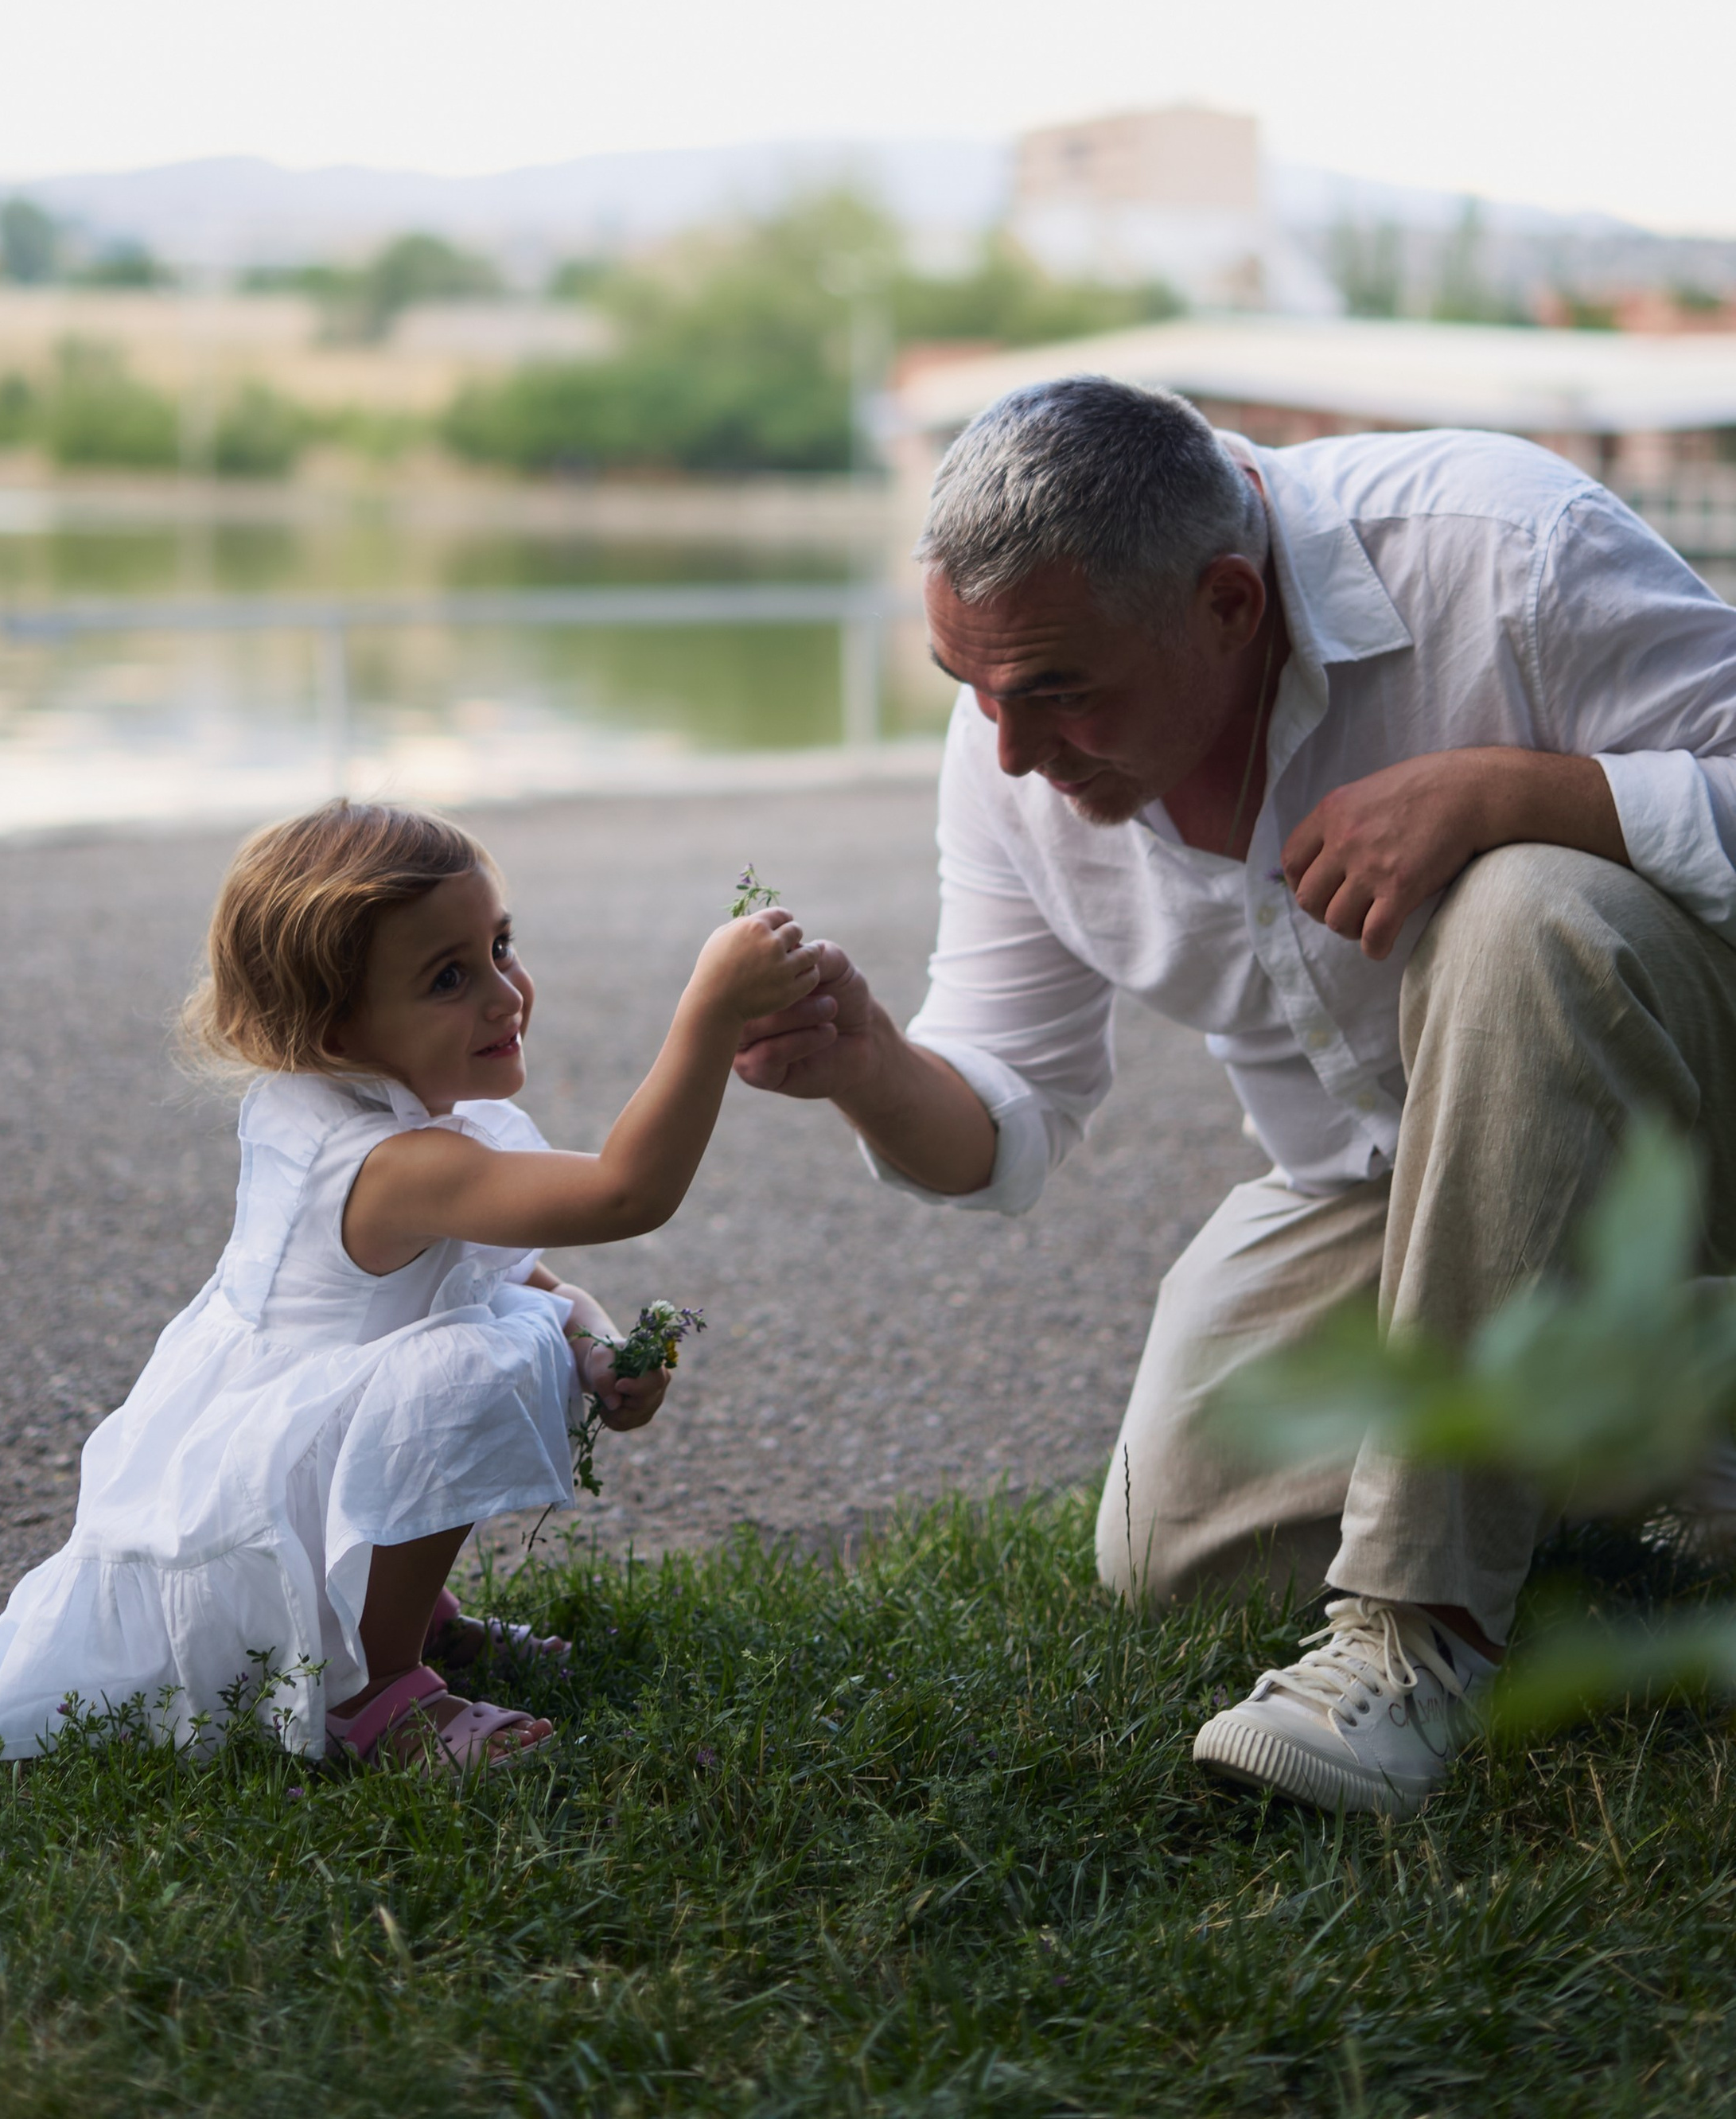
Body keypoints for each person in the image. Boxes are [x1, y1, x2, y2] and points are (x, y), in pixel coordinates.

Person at [735, 375, 1736, 1817]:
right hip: (1389, 1184)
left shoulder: (1503, 549)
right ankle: (1658, 1407)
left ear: (1226, 602)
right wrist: (867, 1065)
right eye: (970, 687)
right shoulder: (1012, 737)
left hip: (1690, 1132)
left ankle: (1417, 1631)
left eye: (1059, 690)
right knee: (1174, 1542)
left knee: (1524, 908)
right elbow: (1004, 1113)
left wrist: (1519, 791)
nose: (1011, 750)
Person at [0, 800, 817, 1774]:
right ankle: (369, 1691)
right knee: (474, 1369)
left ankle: (392, 1618)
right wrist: (712, 1009)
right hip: (264, 1486)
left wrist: (597, 1339)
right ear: (334, 1027)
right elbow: (626, 1191)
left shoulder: (353, 1108)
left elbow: (507, 1272)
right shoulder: (389, 1164)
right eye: (448, 977)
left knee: (505, 1332)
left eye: (500, 946)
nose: (504, 994)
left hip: (293, 1442)